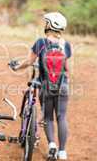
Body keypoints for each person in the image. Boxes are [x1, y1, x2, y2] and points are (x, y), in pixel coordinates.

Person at [9, 12, 72, 160]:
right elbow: (67, 69)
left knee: (48, 118)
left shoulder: (41, 43)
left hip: (46, 86)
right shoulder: (66, 45)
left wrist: (17, 67)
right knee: (62, 117)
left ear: (49, 25)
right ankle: (62, 152)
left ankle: (52, 146)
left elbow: (29, 62)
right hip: (62, 86)